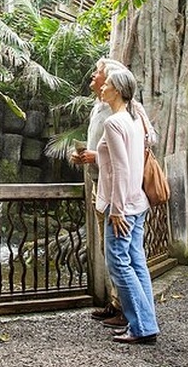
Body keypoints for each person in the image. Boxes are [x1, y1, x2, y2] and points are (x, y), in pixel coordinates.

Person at [96, 68, 159, 344]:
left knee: (119, 264)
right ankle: (146, 323)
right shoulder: (134, 120)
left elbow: (121, 168)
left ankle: (142, 327)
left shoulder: (114, 123)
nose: (102, 87)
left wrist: (117, 209)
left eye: (107, 84)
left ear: (118, 91)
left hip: (123, 205)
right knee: (137, 262)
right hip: (138, 201)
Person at [70, 58, 127, 328]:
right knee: (108, 248)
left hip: (115, 188)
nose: (92, 76)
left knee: (119, 250)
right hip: (98, 184)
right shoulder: (98, 106)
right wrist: (85, 157)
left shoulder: (122, 111)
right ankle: (117, 303)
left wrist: (94, 157)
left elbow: (125, 155)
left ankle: (128, 310)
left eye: (98, 73)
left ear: (112, 83)